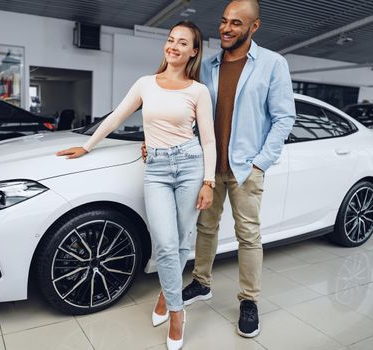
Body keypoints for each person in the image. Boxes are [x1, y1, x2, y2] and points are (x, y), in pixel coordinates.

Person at [57, 21, 217, 350]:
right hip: (156, 168)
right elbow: (116, 116)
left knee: (182, 241)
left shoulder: (198, 91)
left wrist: (209, 182)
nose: (173, 46)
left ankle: (166, 295)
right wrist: (87, 146)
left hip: (190, 165)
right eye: (170, 40)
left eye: (182, 42)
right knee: (165, 243)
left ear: (193, 51)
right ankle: (177, 311)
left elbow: (209, 140)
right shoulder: (146, 84)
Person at [179, 0, 296, 339]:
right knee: (205, 227)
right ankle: (201, 282)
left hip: (247, 167)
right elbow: (194, 113)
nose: (226, 28)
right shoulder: (210, 64)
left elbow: (284, 117)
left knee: (248, 235)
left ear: (253, 27)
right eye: (224, 21)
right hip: (210, 166)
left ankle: (249, 300)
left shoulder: (273, 64)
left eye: (236, 23)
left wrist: (262, 161)